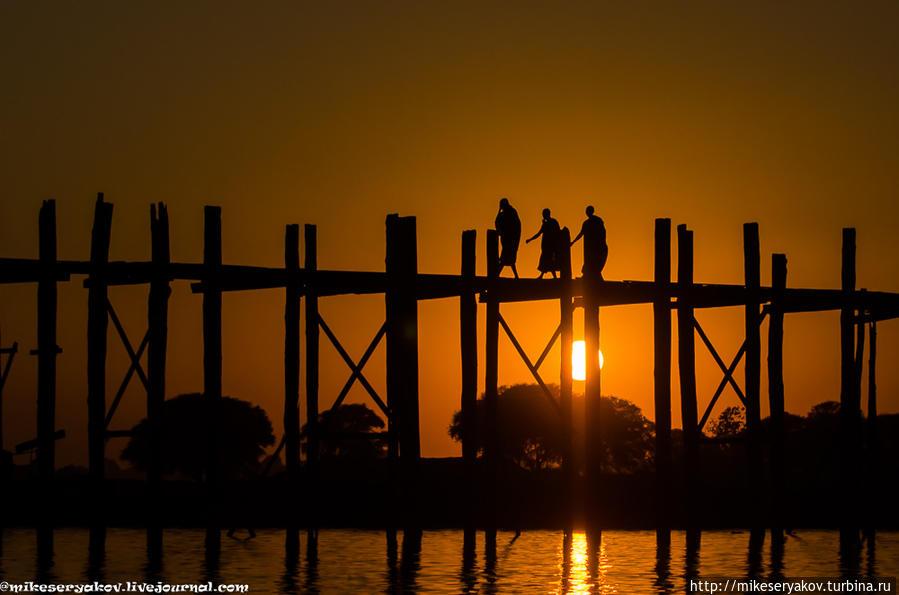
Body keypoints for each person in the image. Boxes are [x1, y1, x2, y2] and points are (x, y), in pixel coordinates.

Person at [571, 206, 608, 280]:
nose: (587, 213)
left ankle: (596, 278)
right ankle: (587, 276)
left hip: (597, 247)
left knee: (595, 263)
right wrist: (573, 242)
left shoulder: (598, 221)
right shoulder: (586, 223)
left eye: (588, 211)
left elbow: (603, 232)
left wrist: (601, 243)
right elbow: (581, 233)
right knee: (589, 262)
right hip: (589, 248)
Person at [526, 208, 561, 279]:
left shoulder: (552, 222)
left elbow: (557, 232)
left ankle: (549, 276)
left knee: (548, 260)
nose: (543, 216)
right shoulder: (547, 223)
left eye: (544, 214)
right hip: (545, 245)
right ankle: (550, 276)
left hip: (550, 245)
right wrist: (530, 239)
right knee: (546, 260)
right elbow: (539, 233)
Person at [495, 198, 521, 278]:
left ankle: (497, 274)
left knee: (505, 257)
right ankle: (515, 275)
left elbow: (516, 225)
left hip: (511, 239)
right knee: (507, 257)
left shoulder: (511, 212)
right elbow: (497, 221)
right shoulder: (505, 213)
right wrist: (499, 211)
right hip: (507, 238)